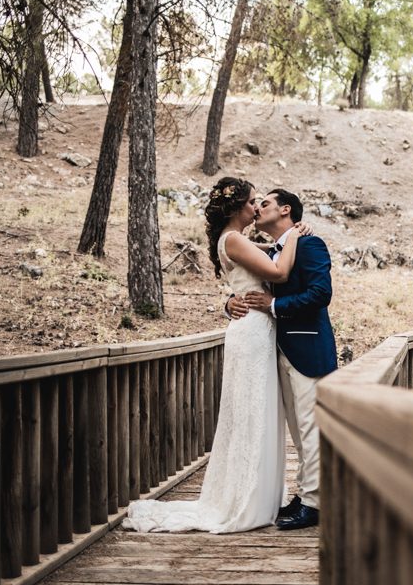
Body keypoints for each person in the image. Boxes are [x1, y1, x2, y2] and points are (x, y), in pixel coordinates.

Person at [123, 177, 304, 533]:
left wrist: (228, 303)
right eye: (253, 201)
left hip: (255, 329)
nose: (257, 207)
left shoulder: (237, 240)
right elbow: (279, 272)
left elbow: (251, 279)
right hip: (252, 333)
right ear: (238, 207)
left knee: (256, 413)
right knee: (251, 413)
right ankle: (244, 499)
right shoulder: (234, 239)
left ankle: (256, 492)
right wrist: (295, 233)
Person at [227, 188, 338, 530]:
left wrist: (274, 306)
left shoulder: (309, 244)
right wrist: (230, 303)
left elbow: (322, 294)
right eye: (255, 203)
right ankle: (306, 494)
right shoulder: (275, 251)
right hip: (277, 350)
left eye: (265, 203)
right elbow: (248, 284)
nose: (258, 208)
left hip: (307, 349)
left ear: (286, 210)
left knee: (311, 427)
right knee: (297, 428)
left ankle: (316, 503)